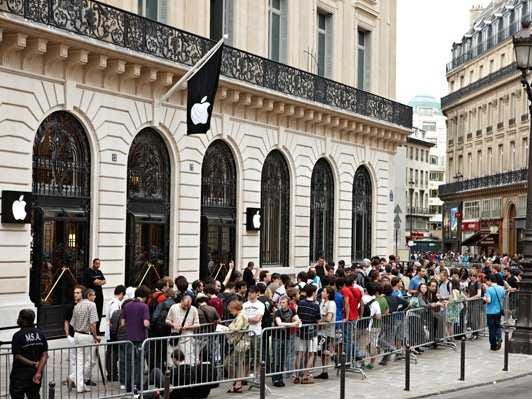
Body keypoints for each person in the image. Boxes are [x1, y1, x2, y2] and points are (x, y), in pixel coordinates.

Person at [10, 309, 48, 399]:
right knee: (34, 395)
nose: (18, 319)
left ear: (23, 320)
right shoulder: (41, 333)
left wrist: (33, 364)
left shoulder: (18, 335)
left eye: (19, 317)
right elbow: (45, 355)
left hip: (19, 376)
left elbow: (17, 356)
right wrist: (38, 372)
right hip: (35, 374)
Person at [69, 287, 99, 393]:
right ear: (89, 295)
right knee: (90, 360)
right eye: (93, 295)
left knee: (80, 360)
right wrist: (96, 337)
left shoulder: (77, 306)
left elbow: (72, 323)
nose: (95, 297)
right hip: (86, 335)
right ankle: (74, 377)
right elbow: (93, 324)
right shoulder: (92, 305)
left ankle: (80, 385)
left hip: (77, 334)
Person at [121, 285, 151, 391]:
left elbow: (123, 323)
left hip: (129, 338)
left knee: (129, 362)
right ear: (145, 296)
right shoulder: (144, 306)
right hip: (140, 339)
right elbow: (146, 323)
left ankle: (128, 385)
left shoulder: (126, 305)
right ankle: (138, 384)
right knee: (139, 363)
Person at [271, 296, 300, 387]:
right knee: (276, 358)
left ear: (288, 303)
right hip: (277, 338)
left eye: (283, 302)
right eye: (280, 302)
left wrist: (295, 322)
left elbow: (298, 320)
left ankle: (280, 378)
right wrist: (292, 324)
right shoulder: (277, 312)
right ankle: (275, 379)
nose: (281, 304)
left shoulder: (292, 311)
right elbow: (279, 323)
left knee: (282, 358)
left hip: (286, 337)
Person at [295, 284, 321, 384]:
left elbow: (299, 315)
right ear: (313, 293)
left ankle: (296, 376)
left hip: (301, 331)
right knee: (311, 354)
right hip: (311, 332)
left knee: (300, 354)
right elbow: (318, 320)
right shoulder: (316, 306)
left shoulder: (301, 303)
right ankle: (305, 376)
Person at [166, 294, 200, 364]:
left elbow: (197, 324)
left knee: (188, 358)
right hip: (175, 336)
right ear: (181, 301)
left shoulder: (193, 309)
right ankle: (173, 371)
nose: (186, 307)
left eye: (188, 306)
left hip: (187, 338)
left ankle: (187, 371)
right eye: (184, 305)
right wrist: (173, 325)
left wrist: (187, 327)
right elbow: (167, 320)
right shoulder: (173, 307)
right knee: (172, 357)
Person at [225, 300, 250, 393]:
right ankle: (237, 384)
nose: (230, 313)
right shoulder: (241, 315)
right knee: (238, 363)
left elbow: (237, 328)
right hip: (241, 343)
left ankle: (237, 383)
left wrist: (227, 329)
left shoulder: (241, 316)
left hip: (241, 344)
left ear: (235, 309)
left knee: (231, 363)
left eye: (231, 310)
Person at [105, 284, 125, 382]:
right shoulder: (116, 304)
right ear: (121, 293)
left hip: (110, 332)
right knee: (113, 354)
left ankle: (111, 373)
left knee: (110, 353)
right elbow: (115, 319)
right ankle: (112, 373)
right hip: (114, 332)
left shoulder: (110, 301)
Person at [316, 286, 336, 379]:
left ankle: (333, 354)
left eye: (324, 291)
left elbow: (328, 318)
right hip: (321, 331)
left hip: (327, 331)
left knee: (324, 350)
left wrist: (320, 320)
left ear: (328, 294)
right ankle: (324, 371)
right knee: (321, 352)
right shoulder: (323, 302)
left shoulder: (331, 303)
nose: (322, 293)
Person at [484, 274, 506, 351]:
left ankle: (493, 345)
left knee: (491, 328)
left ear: (490, 280)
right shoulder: (501, 288)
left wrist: (485, 298)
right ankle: (499, 338)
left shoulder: (489, 289)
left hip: (490, 311)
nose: (486, 282)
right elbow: (503, 297)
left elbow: (489, 301)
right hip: (498, 311)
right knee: (497, 326)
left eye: (487, 280)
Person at [83, 258, 106, 331]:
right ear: (93, 263)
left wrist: (99, 281)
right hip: (92, 296)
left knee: (99, 312)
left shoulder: (99, 272)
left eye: (99, 264)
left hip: (100, 295)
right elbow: (94, 282)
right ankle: (91, 329)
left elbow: (104, 281)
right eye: (97, 263)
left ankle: (97, 329)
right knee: (92, 312)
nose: (98, 265)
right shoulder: (88, 271)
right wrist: (99, 281)